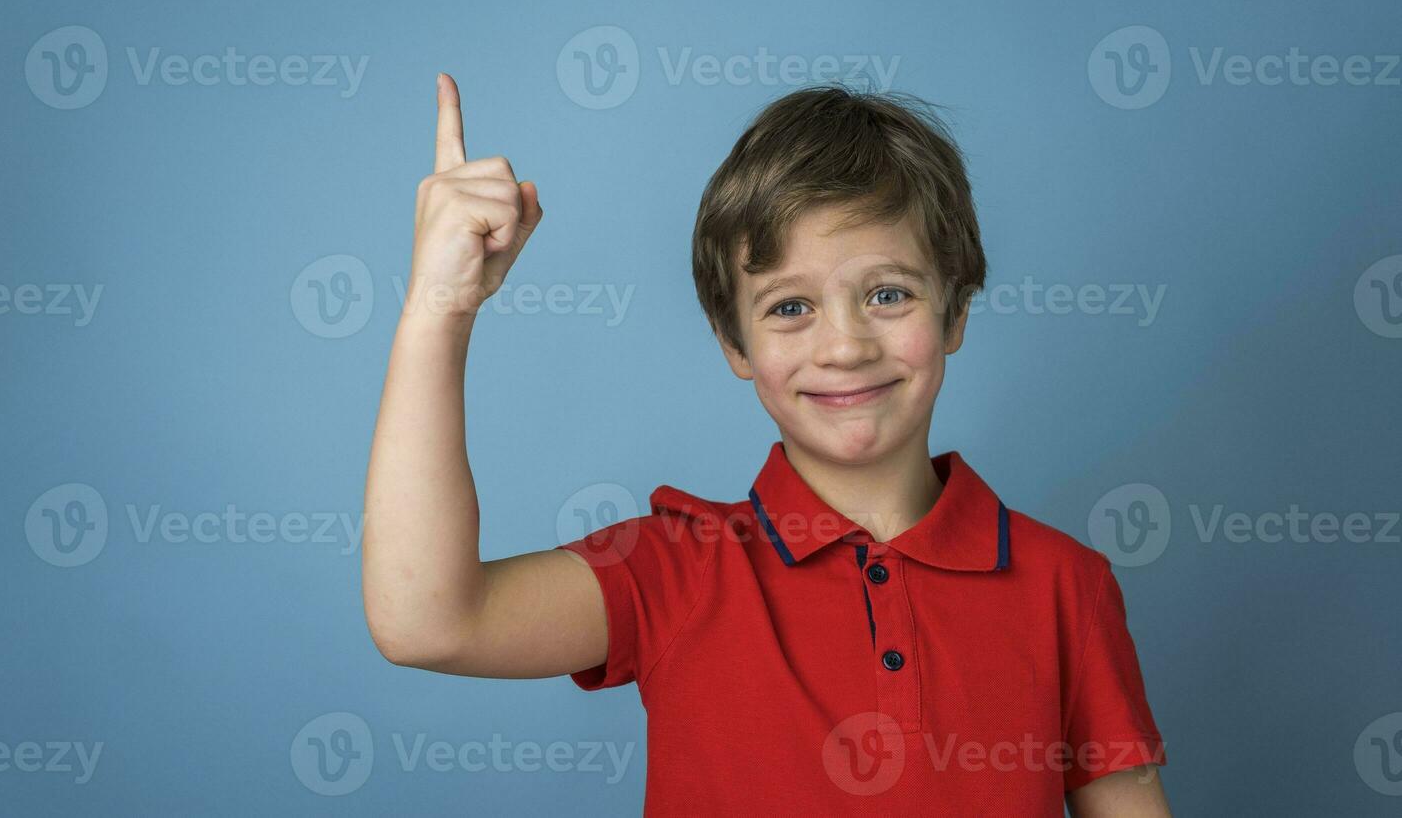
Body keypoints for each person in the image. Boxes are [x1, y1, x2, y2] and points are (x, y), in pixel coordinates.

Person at [361, 72, 1172, 816]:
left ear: (956, 312)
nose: (845, 345)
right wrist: (440, 306)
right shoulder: (673, 572)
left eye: (888, 294)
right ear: (734, 344)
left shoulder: (1069, 587)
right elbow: (426, 620)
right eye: (790, 307)